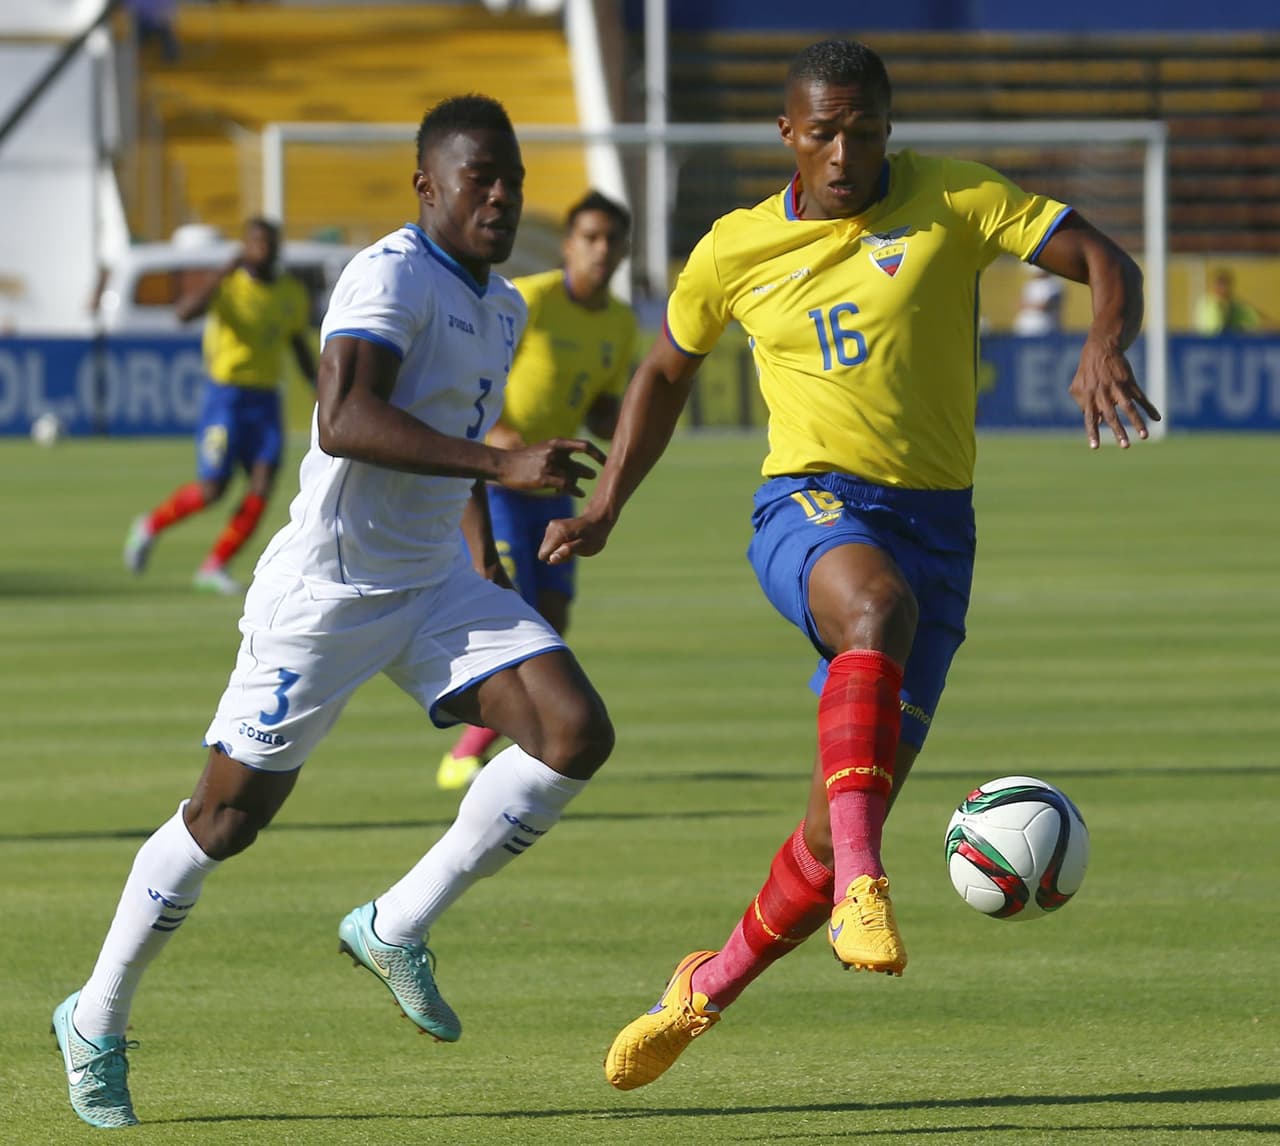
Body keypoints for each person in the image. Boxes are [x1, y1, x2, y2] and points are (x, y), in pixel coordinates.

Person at [539, 39, 1159, 1091]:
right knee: (870, 608)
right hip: (808, 506)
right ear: (786, 133)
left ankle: (700, 991)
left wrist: (1104, 338)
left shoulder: (953, 199)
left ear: (886, 128)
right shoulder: (732, 249)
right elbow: (662, 371)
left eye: (862, 130)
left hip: (938, 535)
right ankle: (868, 886)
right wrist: (603, 507)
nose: (842, 151)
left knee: (833, 822)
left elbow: (1105, 258)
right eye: (821, 131)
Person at [53, 94, 614, 1130]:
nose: (499, 194)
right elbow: (346, 417)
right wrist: (499, 460)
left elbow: (455, 439)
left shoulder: (503, 306)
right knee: (224, 820)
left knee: (574, 731)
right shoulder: (389, 274)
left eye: (512, 179)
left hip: (434, 586)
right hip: (328, 591)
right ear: (426, 186)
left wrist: (480, 534)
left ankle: (395, 922)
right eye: (477, 176)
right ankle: (95, 1018)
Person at [437, 189, 637, 790]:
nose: (601, 251)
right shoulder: (530, 301)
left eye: (612, 241)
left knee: (551, 614)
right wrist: (501, 442)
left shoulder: (620, 323)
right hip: (499, 478)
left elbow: (599, 402)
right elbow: (477, 380)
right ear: (570, 244)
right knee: (510, 606)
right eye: (590, 238)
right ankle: (474, 748)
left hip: (554, 481)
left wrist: (625, 419)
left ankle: (473, 747)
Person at [122, 217, 315, 596]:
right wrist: (224, 270)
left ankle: (215, 565)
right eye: (254, 242)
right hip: (225, 398)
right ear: (243, 247)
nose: (261, 249)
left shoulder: (291, 292)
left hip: (265, 399)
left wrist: (318, 386)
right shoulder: (227, 286)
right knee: (214, 488)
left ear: (276, 248)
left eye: (268, 242)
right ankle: (149, 526)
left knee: (262, 486)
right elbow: (184, 313)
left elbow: (297, 344)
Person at [1194, 267, 1264, 335]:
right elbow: (1206, 328)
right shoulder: (1206, 302)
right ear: (1214, 285)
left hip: (1229, 343)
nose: (1223, 288)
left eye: (1225, 284)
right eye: (1219, 284)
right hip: (1210, 344)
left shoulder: (1236, 304)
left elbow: (1258, 319)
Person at [1012, 262, 1064, 336]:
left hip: (1045, 328)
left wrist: (1028, 305)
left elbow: (1044, 305)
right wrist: (1034, 305)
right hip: (1024, 328)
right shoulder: (1029, 285)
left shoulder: (1055, 284)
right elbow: (1020, 304)